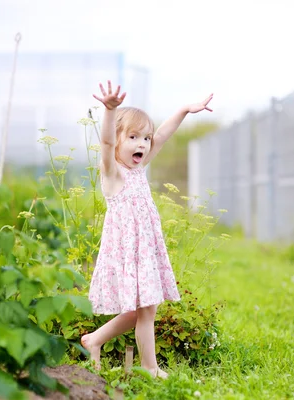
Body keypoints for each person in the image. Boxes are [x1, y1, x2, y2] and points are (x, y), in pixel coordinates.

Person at [81, 81, 213, 378]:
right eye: (132, 137)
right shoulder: (113, 174)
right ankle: (149, 368)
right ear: (117, 141)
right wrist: (110, 111)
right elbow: (104, 144)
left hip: (144, 251)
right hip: (128, 253)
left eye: (144, 138)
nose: (142, 144)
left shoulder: (138, 169)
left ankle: (94, 339)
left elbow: (163, 136)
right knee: (145, 310)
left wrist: (182, 111)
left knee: (140, 310)